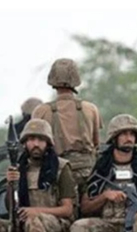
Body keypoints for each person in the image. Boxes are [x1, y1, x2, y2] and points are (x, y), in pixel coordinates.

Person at [32, 58, 103, 198]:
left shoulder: (40, 111)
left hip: (55, 173)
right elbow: (96, 144)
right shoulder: (91, 109)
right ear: (76, 79)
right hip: (88, 174)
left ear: (52, 79)